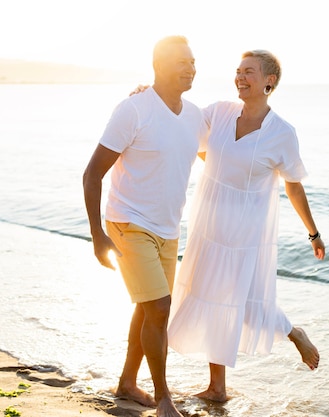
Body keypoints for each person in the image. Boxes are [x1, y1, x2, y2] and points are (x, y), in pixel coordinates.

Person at [166, 49, 325, 402]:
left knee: (247, 305)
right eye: (237, 71)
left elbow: (293, 184)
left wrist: (312, 232)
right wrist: (150, 93)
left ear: (270, 81)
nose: (240, 77)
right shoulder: (221, 112)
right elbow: (182, 120)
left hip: (246, 231)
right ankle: (217, 387)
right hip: (209, 223)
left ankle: (293, 332)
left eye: (248, 71)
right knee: (209, 298)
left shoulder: (282, 133)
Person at [82, 35, 206, 417]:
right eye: (182, 62)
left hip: (168, 230)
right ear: (159, 66)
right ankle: (164, 398)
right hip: (127, 222)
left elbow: (217, 158)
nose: (191, 68)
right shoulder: (133, 110)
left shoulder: (195, 116)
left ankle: (126, 383)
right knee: (160, 307)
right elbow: (92, 174)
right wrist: (96, 234)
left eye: (193, 61)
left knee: (147, 308)